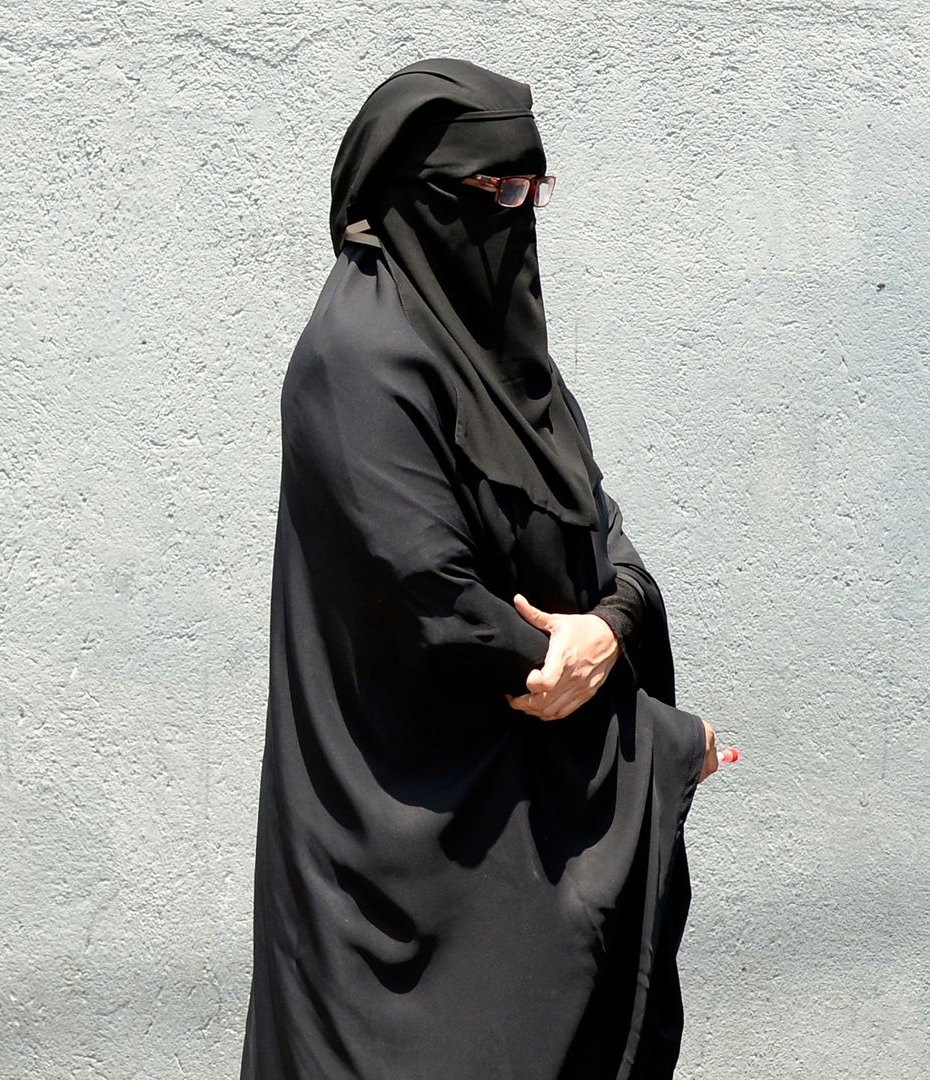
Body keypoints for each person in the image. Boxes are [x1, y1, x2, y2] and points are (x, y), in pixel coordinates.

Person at [243, 60, 720, 1079]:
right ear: (416, 193)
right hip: (402, 871)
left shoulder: (502, 359)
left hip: (511, 848)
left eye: (531, 192)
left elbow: (598, 523)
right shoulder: (360, 356)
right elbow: (438, 603)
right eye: (495, 192)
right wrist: (653, 739)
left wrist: (613, 625)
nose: (517, 216)